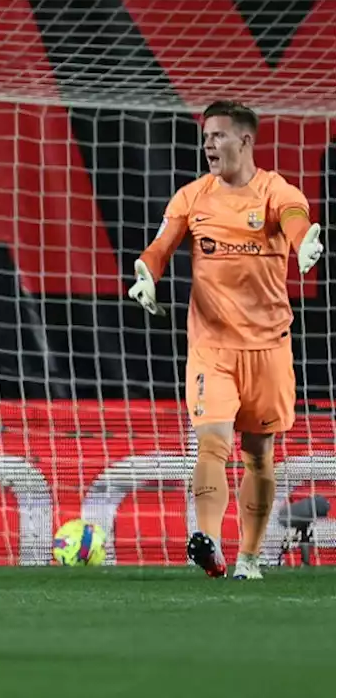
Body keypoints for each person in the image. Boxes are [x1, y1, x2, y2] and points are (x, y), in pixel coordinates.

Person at [129, 100, 324, 580]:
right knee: (211, 444)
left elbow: (296, 217)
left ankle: (250, 559)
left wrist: (304, 243)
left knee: (258, 455)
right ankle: (209, 541)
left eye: (218, 135)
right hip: (211, 347)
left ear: (245, 140)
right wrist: (147, 275)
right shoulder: (192, 197)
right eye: (205, 136)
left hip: (268, 348)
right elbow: (160, 246)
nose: (209, 144)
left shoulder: (274, 190)